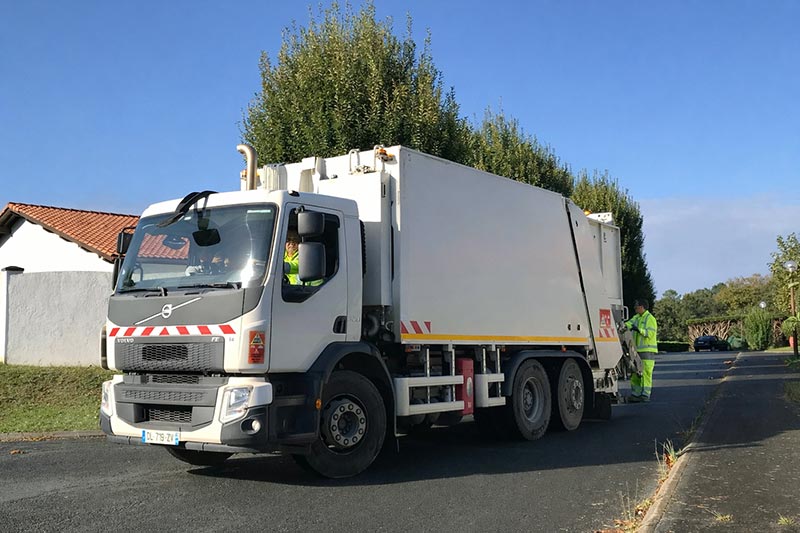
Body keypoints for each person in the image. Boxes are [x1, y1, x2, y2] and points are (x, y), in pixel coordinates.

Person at [625, 299, 658, 402]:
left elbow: (650, 333)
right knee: (635, 372)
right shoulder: (637, 318)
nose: (635, 309)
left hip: (647, 351)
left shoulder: (650, 318)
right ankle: (636, 393)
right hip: (636, 351)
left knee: (646, 373)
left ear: (642, 307)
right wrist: (623, 326)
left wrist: (638, 329)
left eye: (636, 307)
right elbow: (629, 323)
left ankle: (645, 394)